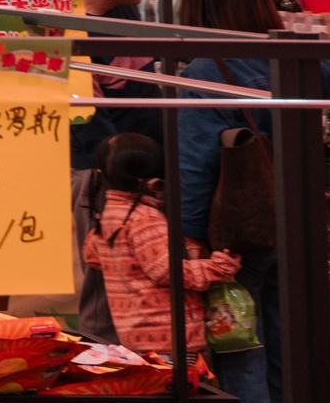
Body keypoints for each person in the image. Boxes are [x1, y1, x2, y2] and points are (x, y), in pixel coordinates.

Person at [173, 0, 330, 403]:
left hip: (237, 238)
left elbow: (195, 164)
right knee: (291, 350)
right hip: (299, 223)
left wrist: (190, 241)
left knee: (241, 351)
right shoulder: (290, 54)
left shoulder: (205, 70)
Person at [66, 0, 166, 345]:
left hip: (140, 166)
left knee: (140, 278)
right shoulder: (65, 21)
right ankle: (104, 368)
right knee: (105, 279)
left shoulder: (126, 10)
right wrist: (124, 175)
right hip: (100, 169)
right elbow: (85, 116)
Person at [82, 132, 235, 357]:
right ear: (155, 180)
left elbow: (92, 255)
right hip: (167, 335)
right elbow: (167, 271)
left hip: (134, 333)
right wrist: (218, 267)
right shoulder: (144, 218)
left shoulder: (110, 213)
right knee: (179, 390)